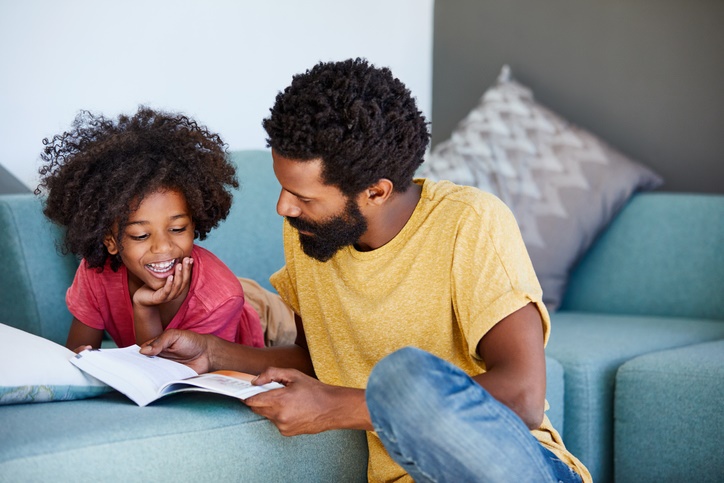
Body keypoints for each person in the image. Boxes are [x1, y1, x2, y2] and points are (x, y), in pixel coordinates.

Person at [140, 59, 592, 482]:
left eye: (304, 197)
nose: (283, 207)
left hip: (513, 469)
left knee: (405, 374)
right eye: (283, 188)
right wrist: (213, 354)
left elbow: (524, 396)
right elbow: (317, 359)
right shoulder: (312, 236)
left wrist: (339, 408)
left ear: (376, 192)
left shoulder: (469, 223)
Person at [36, 107, 267, 351]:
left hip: (265, 322)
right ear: (110, 240)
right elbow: (79, 357)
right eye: (141, 235)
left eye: (177, 228)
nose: (163, 247)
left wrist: (145, 310)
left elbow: (171, 380)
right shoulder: (96, 274)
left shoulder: (219, 299)